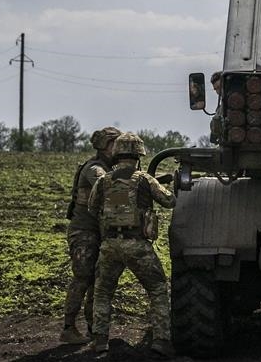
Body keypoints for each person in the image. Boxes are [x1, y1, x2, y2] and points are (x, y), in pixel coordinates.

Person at [87, 132, 177, 356]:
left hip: (109, 245)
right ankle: (161, 341)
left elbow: (91, 208)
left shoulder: (104, 180)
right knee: (157, 290)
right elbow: (169, 201)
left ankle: (100, 341)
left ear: (116, 154)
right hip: (137, 245)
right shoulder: (144, 179)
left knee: (103, 292)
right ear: (139, 155)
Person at [60, 126, 121, 344]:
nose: (120, 148)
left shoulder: (110, 167)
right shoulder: (94, 168)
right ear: (105, 146)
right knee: (83, 276)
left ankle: (94, 329)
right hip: (84, 232)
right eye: (116, 143)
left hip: (100, 232)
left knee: (98, 281)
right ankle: (68, 327)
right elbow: (106, 184)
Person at [209, 71, 223, 144]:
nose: (218, 91)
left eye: (219, 87)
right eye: (216, 89)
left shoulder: (224, 107)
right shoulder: (221, 107)